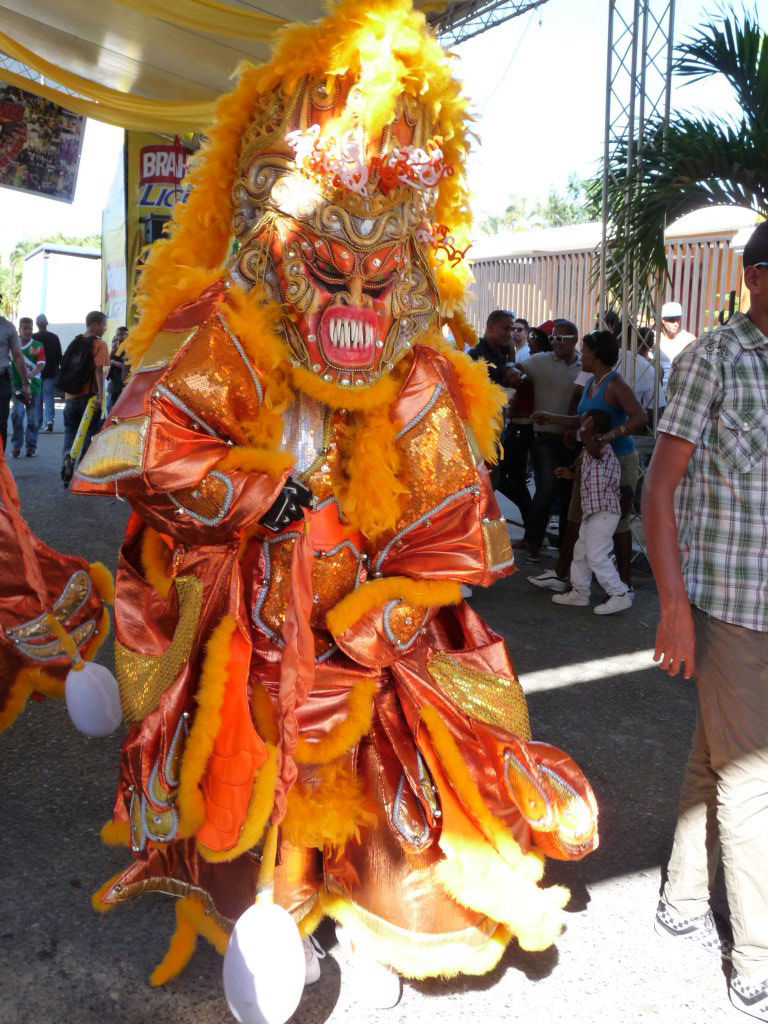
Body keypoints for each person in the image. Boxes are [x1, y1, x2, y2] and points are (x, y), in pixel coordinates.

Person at [70, 4, 598, 1006]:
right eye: (328, 264)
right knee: (248, 762)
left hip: (364, 627)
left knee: (364, 776)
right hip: (252, 606)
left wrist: (380, 625)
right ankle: (270, 913)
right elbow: (147, 453)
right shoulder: (224, 336)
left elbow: (457, 535)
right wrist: (263, 490)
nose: (355, 295)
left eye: (378, 267)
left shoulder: (421, 377)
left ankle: (352, 915)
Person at [642, 220, 768, 1021]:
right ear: (758, 276)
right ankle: (756, 954)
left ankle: (683, 900)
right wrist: (674, 612)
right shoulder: (712, 359)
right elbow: (658, 490)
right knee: (754, 777)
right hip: (731, 609)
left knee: (719, 752)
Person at [528, 329, 647, 591]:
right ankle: (562, 574)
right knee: (575, 515)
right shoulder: (592, 381)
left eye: (584, 349)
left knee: (619, 521)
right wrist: (552, 417)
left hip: (619, 459)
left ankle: (623, 584)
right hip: (591, 458)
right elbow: (584, 420)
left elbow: (639, 417)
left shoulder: (614, 383)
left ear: (596, 354)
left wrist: (608, 437)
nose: (581, 354)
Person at [508, 318, 582, 560]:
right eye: (552, 338)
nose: (554, 342)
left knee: (568, 493)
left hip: (573, 440)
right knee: (546, 488)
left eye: (560, 338)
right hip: (544, 438)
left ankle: (563, 547)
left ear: (574, 341)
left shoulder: (585, 366)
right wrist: (514, 373)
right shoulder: (541, 361)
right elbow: (518, 370)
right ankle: (533, 541)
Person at [550, 409, 632, 614]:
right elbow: (591, 477)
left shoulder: (600, 444)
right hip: (593, 512)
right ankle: (580, 591)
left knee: (597, 555)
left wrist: (585, 432)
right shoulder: (589, 450)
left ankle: (619, 593)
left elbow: (595, 451)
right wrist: (572, 476)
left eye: (585, 420)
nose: (580, 422)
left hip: (604, 511)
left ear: (592, 424)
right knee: (581, 552)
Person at [498, 326, 552, 526]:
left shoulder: (536, 363)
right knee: (517, 479)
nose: (529, 340)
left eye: (533, 336)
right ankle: (532, 525)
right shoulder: (536, 363)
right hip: (521, 429)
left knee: (502, 478)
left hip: (522, 429)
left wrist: (510, 354)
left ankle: (532, 523)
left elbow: (510, 394)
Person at [60, 310, 109, 477]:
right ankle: (82, 470)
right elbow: (98, 370)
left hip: (70, 396)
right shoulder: (99, 344)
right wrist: (101, 397)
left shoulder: (75, 342)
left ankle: (68, 458)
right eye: (103, 324)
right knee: (90, 433)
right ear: (95, 324)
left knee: (69, 432)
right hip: (89, 398)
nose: (105, 329)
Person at [10, 316, 45, 457]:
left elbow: (41, 364)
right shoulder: (13, 344)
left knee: (33, 418)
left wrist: (32, 374)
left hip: (34, 387)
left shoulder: (37, 346)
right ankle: (16, 445)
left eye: (30, 328)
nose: (28, 331)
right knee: (17, 414)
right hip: (16, 385)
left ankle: (31, 445)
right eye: (25, 328)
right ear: (19, 329)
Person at [0, 302, 30, 450]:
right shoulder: (8, 328)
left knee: (0, 424)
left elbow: (18, 356)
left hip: (1, 382)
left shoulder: (8, 327)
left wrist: (25, 383)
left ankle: (0, 464)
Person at [467, 309, 514, 384]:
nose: (509, 334)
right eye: (506, 328)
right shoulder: (475, 356)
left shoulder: (500, 354)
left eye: (511, 330)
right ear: (490, 326)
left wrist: (512, 354)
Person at [33, 314, 62, 431]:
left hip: (36, 372)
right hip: (50, 372)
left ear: (37, 325)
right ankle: (49, 420)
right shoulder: (54, 337)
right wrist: (59, 371)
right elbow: (59, 356)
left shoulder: (33, 338)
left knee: (37, 399)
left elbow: (31, 355)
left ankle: (37, 423)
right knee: (49, 397)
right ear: (46, 324)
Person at [658, 301, 696, 389]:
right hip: (657, 389)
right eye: (671, 319)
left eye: (678, 319)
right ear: (663, 320)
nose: (676, 323)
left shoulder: (688, 338)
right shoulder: (655, 338)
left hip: (679, 389)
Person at [106, 325, 129, 411]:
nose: (121, 337)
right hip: (113, 384)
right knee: (110, 408)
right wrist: (112, 350)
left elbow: (125, 366)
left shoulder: (129, 349)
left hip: (122, 384)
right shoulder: (116, 348)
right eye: (119, 334)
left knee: (119, 409)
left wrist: (113, 362)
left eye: (124, 334)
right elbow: (107, 361)